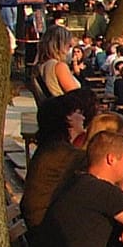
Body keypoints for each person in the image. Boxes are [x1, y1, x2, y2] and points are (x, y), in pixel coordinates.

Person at [21, 90, 96, 228]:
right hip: (44, 227)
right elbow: (101, 163)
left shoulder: (51, 147)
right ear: (67, 119)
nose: (83, 117)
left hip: (41, 221)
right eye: (78, 113)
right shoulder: (60, 152)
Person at [33, 25, 82, 100]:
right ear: (60, 44)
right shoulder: (58, 66)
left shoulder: (38, 67)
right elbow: (75, 96)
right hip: (63, 109)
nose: (70, 46)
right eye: (68, 43)